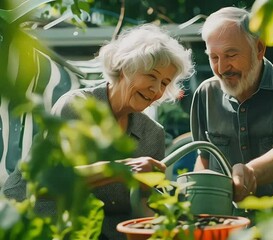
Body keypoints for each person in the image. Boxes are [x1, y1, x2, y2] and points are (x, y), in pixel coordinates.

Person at [2, 24, 194, 240]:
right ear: (124, 67)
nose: (157, 89)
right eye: (151, 76)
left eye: (165, 83)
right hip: (39, 219)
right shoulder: (78, 106)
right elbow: (52, 181)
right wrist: (122, 169)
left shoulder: (152, 134)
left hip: (101, 230)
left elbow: (143, 202)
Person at [190, 7, 273, 203]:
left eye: (231, 55)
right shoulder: (205, 94)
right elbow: (204, 159)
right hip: (232, 226)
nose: (221, 68)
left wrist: (250, 173)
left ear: (259, 48)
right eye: (214, 57)